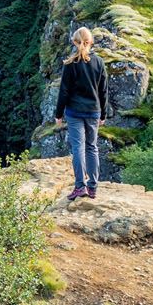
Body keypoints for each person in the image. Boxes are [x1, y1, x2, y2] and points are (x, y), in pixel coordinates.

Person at [54, 26, 109, 200]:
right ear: (91, 42)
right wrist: (103, 114)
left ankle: (80, 187)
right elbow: (103, 91)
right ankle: (93, 187)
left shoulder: (70, 64)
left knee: (78, 148)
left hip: (74, 112)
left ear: (74, 42)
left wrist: (58, 114)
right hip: (93, 111)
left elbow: (64, 91)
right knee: (92, 147)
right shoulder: (99, 62)